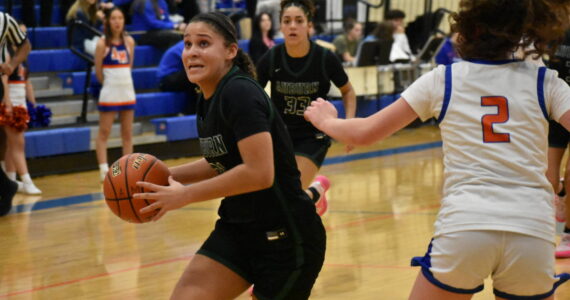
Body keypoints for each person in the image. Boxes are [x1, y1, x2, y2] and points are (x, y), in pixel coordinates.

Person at [304, 0, 570, 299]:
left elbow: (366, 132)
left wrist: (326, 120)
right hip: (531, 229)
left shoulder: (443, 79)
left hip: (467, 225)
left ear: (471, 27)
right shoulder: (545, 81)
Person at [132, 12, 326, 300]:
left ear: (230, 51)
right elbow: (221, 161)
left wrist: (185, 195)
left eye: (203, 43)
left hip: (286, 240)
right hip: (238, 229)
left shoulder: (240, 93)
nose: (192, 52)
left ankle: (313, 196)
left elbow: (259, 173)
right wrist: (166, 175)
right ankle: (316, 193)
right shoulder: (207, 97)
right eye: (187, 45)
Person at [256, 0, 357, 215]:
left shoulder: (324, 58)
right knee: (273, 196)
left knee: (289, 195)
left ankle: (312, 192)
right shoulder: (271, 57)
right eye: (287, 21)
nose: (293, 26)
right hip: (279, 136)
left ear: (308, 25)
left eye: (299, 21)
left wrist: (348, 126)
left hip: (313, 137)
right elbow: (252, 93)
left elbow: (348, 91)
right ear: (281, 26)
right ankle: (316, 191)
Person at [94, 7, 136, 182]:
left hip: (127, 90)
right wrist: (109, 85)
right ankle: (104, 169)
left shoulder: (130, 42)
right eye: (114, 18)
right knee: (104, 131)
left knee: (127, 133)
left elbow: (130, 66)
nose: (117, 21)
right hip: (110, 91)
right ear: (108, 22)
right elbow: (98, 72)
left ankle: (128, 169)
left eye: (120, 18)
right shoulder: (102, 43)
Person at [3, 23, 41, 195]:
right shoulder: (5, 54)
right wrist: (8, 103)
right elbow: (3, 80)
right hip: (9, 103)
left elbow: (27, 82)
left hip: (21, 103)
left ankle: (11, 180)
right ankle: (27, 181)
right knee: (18, 144)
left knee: (12, 145)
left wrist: (32, 104)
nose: (23, 37)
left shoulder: (22, 58)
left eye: (25, 33)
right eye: (20, 33)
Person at [0, 12, 32, 217]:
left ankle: (6, 185)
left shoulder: (4, 19)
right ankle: (6, 185)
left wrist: (11, 65)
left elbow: (25, 45)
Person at [546, 29, 570, 259]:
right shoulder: (555, 32)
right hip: (557, 110)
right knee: (549, 178)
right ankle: (562, 195)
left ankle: (568, 234)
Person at [157, 40, 198, 114]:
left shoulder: (190, 45)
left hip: (175, 76)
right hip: (166, 79)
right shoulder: (187, 47)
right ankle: (191, 112)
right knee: (196, 75)